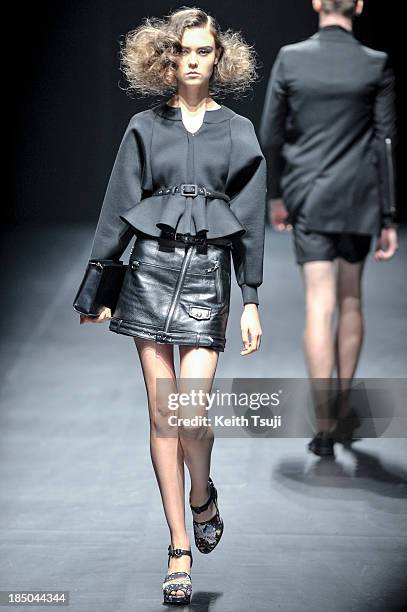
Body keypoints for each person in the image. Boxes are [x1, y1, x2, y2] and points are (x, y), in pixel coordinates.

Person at [76, 7, 266, 605]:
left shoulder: (238, 131)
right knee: (164, 416)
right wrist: (100, 288)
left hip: (208, 276)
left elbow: (252, 222)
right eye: (183, 49)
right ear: (167, 56)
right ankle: (179, 548)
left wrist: (251, 299)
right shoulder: (143, 127)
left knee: (191, 413)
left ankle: (202, 491)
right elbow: (117, 205)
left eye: (203, 50)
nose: (192, 59)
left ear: (219, 58)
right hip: (150, 272)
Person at [259, 0, 398, 456]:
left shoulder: (291, 58)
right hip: (360, 198)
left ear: (317, 3)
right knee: (351, 298)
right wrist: (388, 214)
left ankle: (323, 423)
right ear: (359, 6)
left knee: (318, 304)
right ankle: (339, 412)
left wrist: (277, 196)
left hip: (309, 195)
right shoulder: (375, 64)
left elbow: (271, 134)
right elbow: (385, 143)